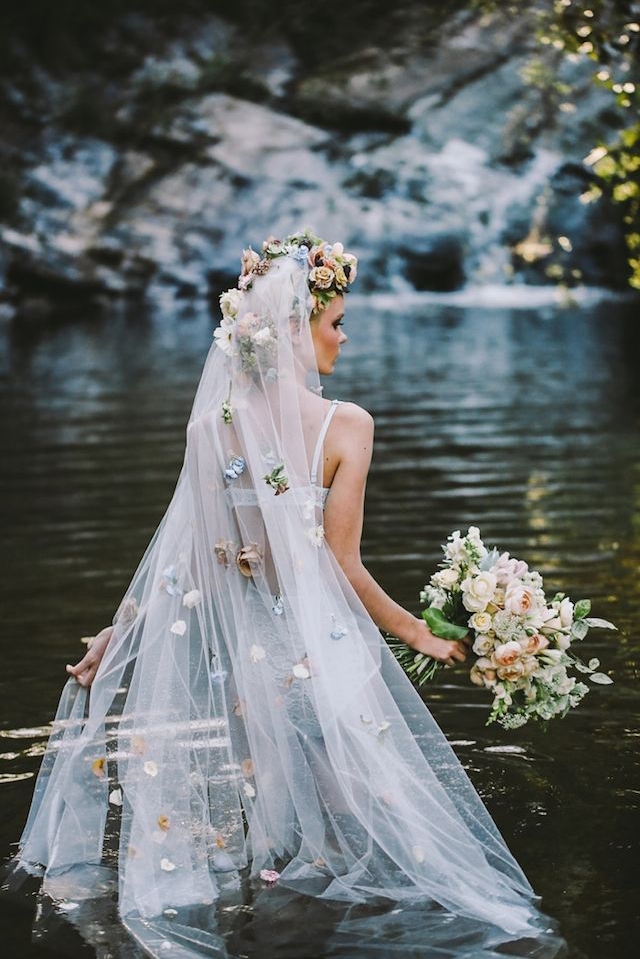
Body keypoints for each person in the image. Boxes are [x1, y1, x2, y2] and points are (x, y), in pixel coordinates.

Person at [12, 227, 561, 957]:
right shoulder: (346, 425)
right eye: (337, 323)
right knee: (368, 833)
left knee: (279, 831)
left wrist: (125, 631)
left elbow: (182, 558)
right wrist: (419, 632)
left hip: (246, 665)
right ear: (296, 329)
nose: (343, 338)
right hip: (321, 653)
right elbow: (342, 565)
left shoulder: (210, 426)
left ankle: (275, 924)